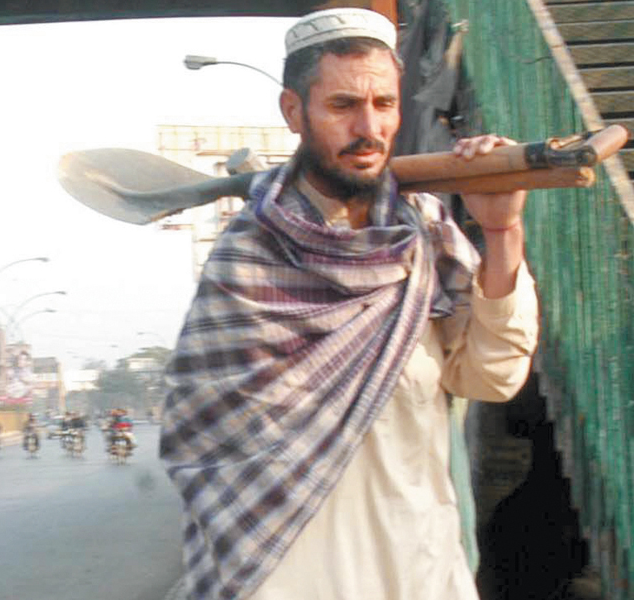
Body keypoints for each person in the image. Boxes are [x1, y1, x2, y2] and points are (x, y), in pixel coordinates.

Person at [158, 9, 539, 600]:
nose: (370, 129)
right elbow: (208, 449)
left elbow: (492, 377)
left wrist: (501, 231)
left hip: (421, 571)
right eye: (343, 106)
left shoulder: (427, 238)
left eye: (384, 105)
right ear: (294, 112)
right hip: (287, 579)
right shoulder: (248, 265)